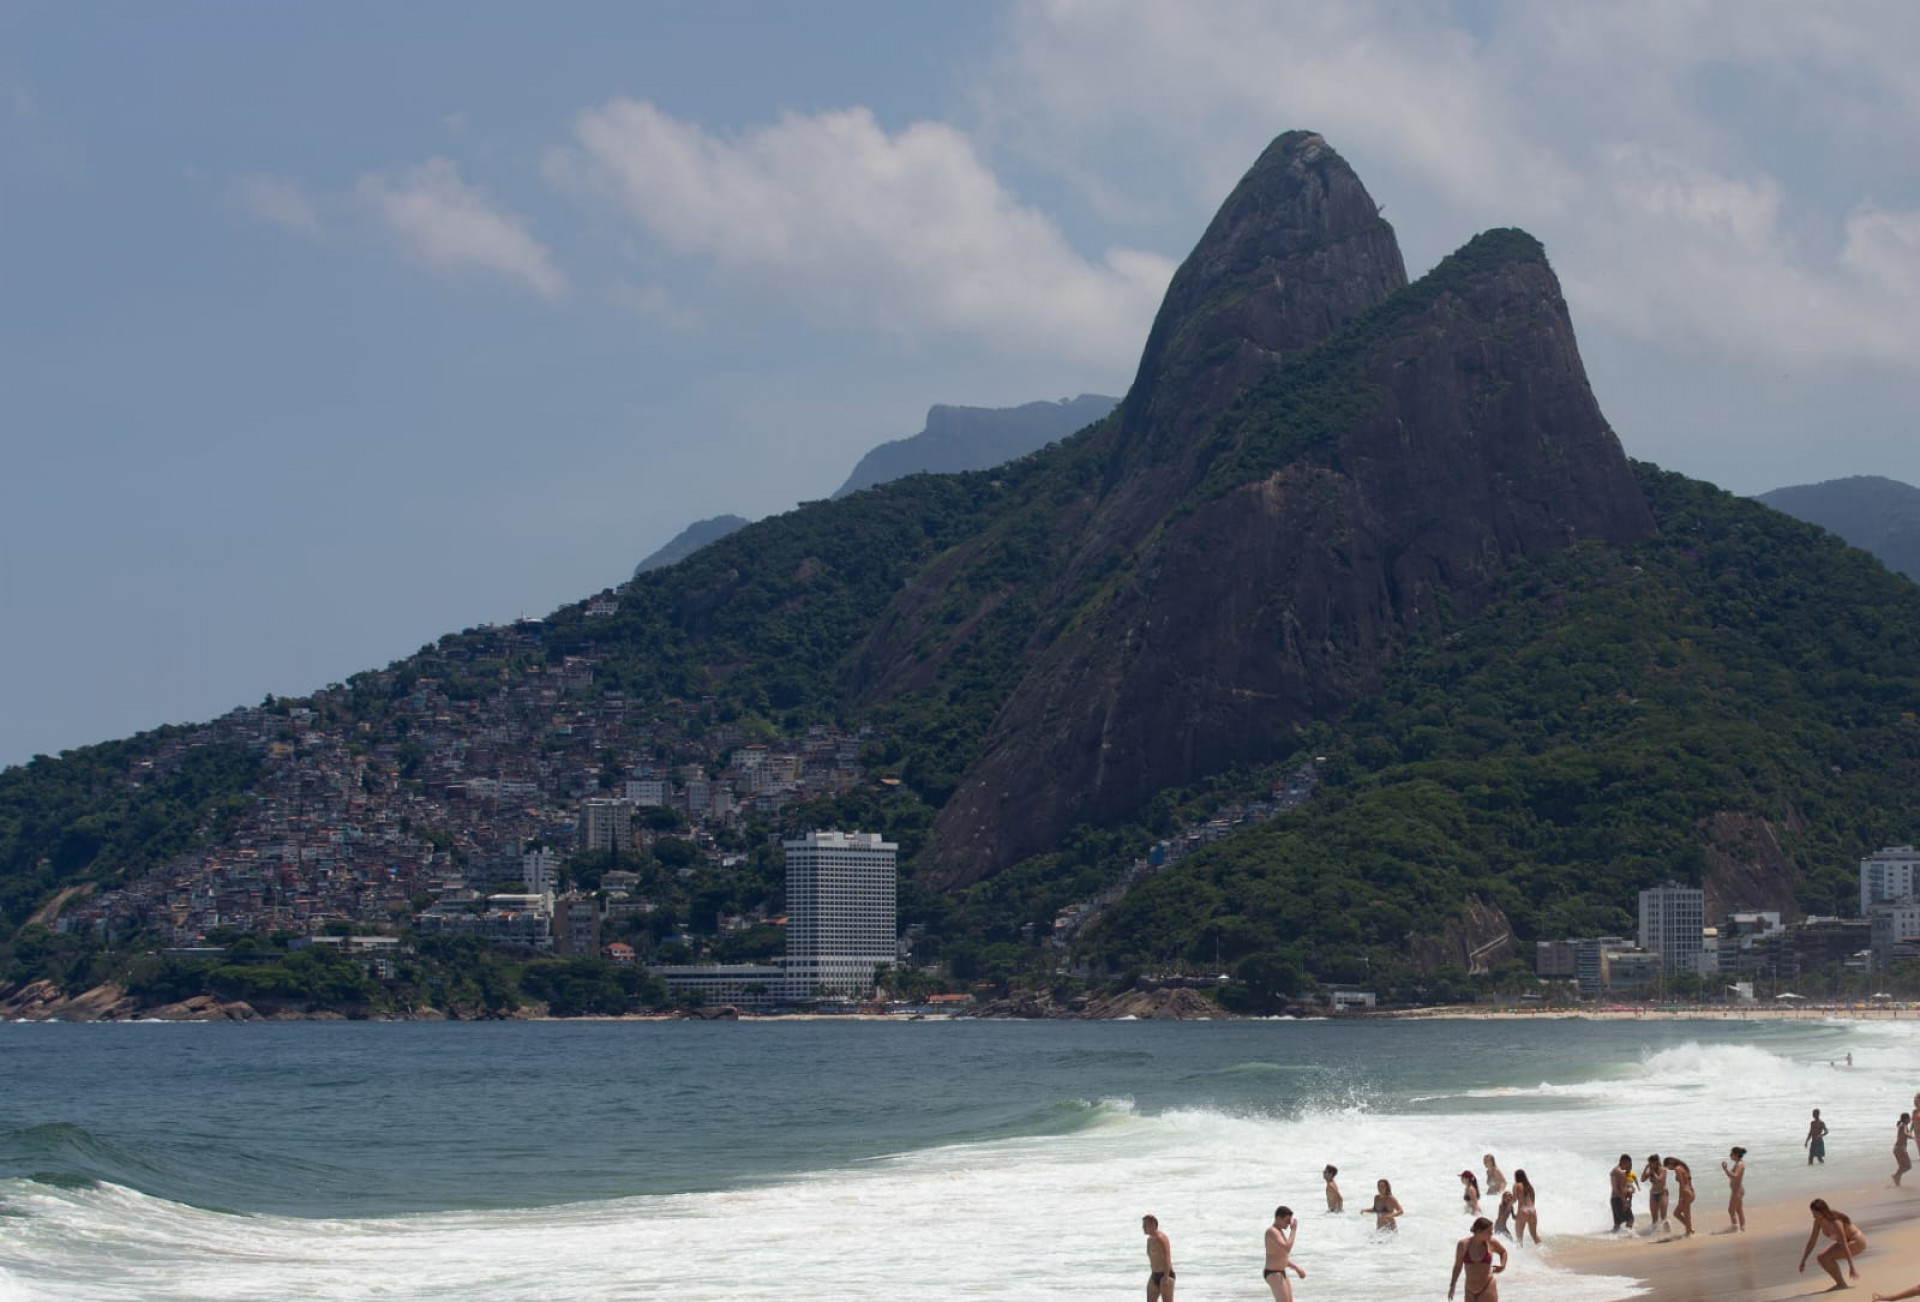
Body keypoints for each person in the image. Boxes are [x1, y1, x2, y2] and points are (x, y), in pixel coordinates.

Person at [1799, 1198, 1865, 1291]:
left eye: (1815, 1213)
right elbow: (1812, 1242)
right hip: (1845, 1242)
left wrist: (1851, 1266)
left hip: (1857, 1241)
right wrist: (1803, 1260)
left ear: (1822, 1212)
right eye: (1812, 1213)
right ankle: (1841, 1283)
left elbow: (1844, 1244)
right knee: (1821, 1258)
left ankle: (1841, 1284)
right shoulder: (1818, 1222)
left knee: (1827, 1257)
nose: (1813, 1215)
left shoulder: (1835, 1222)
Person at [1448, 1216, 1509, 1302]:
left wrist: (1502, 1265)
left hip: (1487, 1286)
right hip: (1469, 1290)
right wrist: (1452, 1286)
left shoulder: (1491, 1242)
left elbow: (1503, 1252)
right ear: (1479, 1231)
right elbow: (1458, 1266)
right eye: (1489, 1231)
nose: (1491, 1234)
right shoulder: (1463, 1245)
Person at [1263, 1206, 1306, 1301]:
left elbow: (1281, 1256)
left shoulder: (1279, 1232)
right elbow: (1287, 1248)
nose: (1288, 1224)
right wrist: (1293, 1230)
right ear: (1278, 1218)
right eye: (1287, 1221)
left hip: (1281, 1271)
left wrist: (1296, 1268)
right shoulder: (1272, 1231)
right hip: (1273, 1272)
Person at [1142, 1214, 1175, 1302]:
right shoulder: (1149, 1240)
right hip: (1154, 1275)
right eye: (1143, 1225)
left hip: (1165, 1275)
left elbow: (1167, 1258)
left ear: (1153, 1225)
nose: (1143, 1228)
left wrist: (1166, 1276)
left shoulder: (1160, 1238)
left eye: (1145, 1225)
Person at [1664, 1156, 1696, 1237]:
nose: (1668, 1169)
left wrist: (1680, 1198)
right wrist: (1691, 1192)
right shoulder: (1683, 1167)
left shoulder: (1678, 1169)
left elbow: (1682, 1185)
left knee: (1686, 1215)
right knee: (1677, 1213)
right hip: (1690, 1192)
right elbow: (1688, 1182)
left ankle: (1688, 1234)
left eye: (1667, 1166)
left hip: (1685, 1193)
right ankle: (1690, 1230)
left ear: (1670, 1163)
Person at [1511, 1169, 1539, 1246]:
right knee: (1534, 1235)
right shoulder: (1530, 1187)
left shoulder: (1517, 1185)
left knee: (1519, 1237)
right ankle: (1542, 1249)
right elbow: (1533, 1202)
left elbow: (1514, 1200)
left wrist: (1507, 1204)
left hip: (1523, 1211)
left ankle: (1521, 1255)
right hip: (1532, 1211)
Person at [1722, 1147, 1747, 1232]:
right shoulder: (1737, 1164)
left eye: (1731, 1154)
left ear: (1736, 1155)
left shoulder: (1740, 1164)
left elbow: (1736, 1176)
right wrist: (1725, 1170)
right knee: (1739, 1210)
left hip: (1737, 1190)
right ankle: (1742, 1228)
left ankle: (1735, 1229)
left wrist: (1726, 1169)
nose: (1730, 1156)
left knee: (1731, 1210)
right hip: (1736, 1190)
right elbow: (1731, 1176)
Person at [1643, 1153, 1670, 1232]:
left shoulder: (1663, 1169)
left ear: (1656, 1162)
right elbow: (1642, 1179)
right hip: (1653, 1194)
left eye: (1651, 1163)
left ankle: (1668, 1233)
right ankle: (1654, 1234)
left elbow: (1660, 1180)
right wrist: (1645, 1169)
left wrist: (1653, 1172)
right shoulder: (1651, 1170)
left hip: (1663, 1193)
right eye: (1649, 1163)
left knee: (1663, 1217)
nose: (1650, 1165)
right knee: (1654, 1219)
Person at [1609, 1154, 1635, 1232]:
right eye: (1628, 1164)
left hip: (1614, 1199)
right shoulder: (1621, 1173)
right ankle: (1627, 1238)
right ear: (1624, 1162)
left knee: (1617, 1224)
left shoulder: (1614, 1171)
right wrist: (1624, 1201)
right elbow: (1620, 1189)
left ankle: (1613, 1238)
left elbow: (1615, 1188)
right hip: (1619, 1199)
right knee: (1630, 1220)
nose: (1628, 1167)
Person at [1895, 1114, 1913, 1188]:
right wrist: (1910, 1136)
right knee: (1908, 1166)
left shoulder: (1903, 1125)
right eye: (1909, 1118)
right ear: (1906, 1119)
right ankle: (1896, 1176)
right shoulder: (1904, 1126)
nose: (1910, 1119)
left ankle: (1896, 1180)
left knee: (1902, 1166)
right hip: (1900, 1149)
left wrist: (1909, 1136)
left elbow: (1904, 1133)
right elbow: (1905, 1133)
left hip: (1897, 1149)